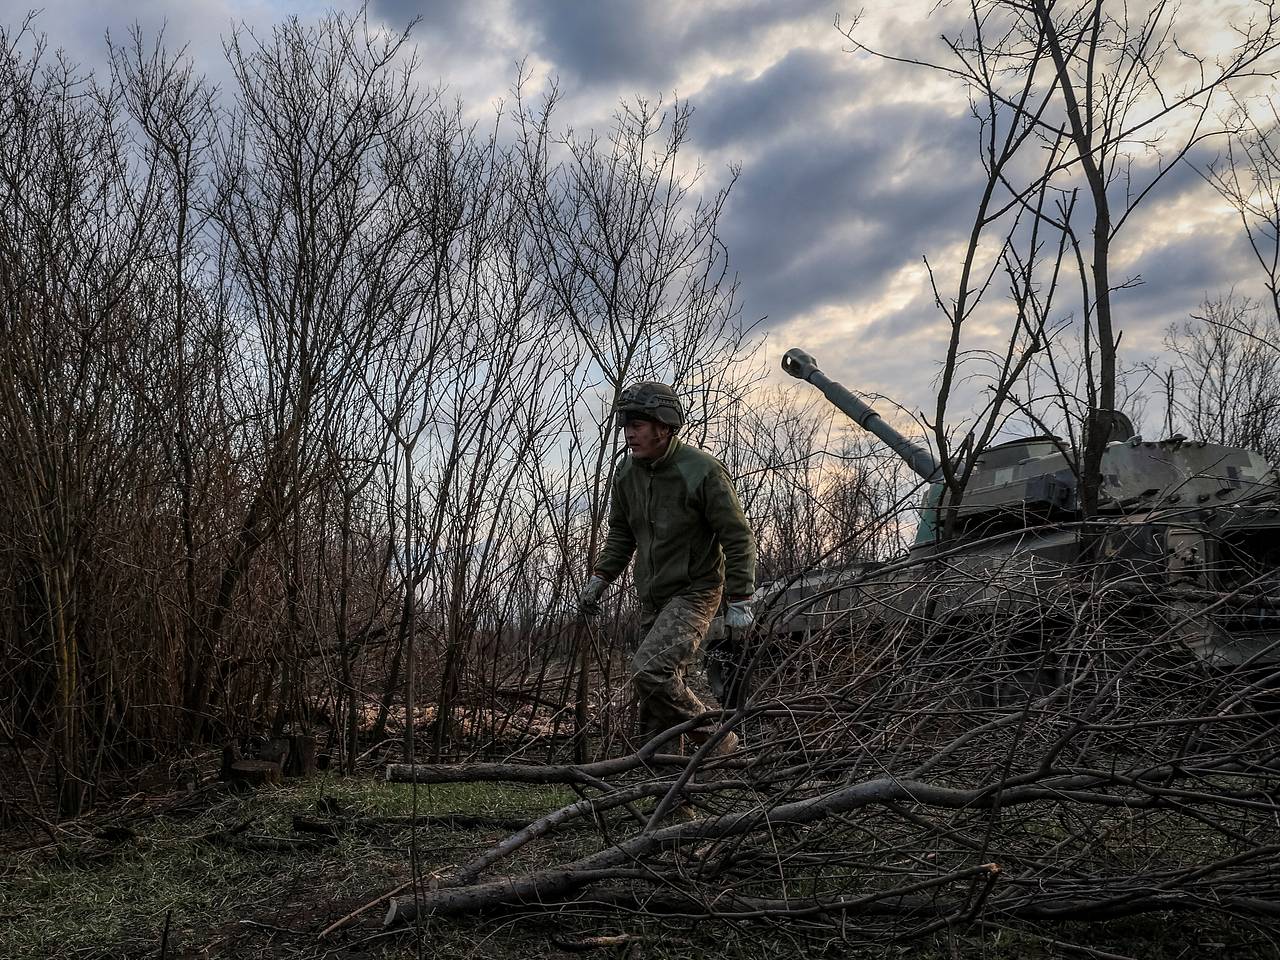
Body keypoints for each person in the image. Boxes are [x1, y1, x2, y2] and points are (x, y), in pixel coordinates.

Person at [578, 381, 756, 754]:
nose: (629, 433)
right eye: (626, 425)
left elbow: (737, 536)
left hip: (695, 591)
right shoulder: (627, 473)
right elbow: (621, 534)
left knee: (650, 671)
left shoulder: (702, 472)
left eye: (638, 424)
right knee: (655, 699)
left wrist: (740, 598)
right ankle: (670, 799)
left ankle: (721, 743)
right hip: (652, 595)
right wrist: (600, 578)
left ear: (664, 425)